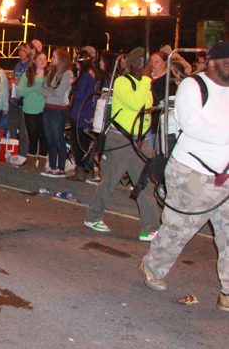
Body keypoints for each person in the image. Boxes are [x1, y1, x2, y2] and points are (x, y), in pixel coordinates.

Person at [139, 42, 229, 309]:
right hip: (193, 174)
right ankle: (152, 267)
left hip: (225, 177)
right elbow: (192, 125)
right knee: (178, 231)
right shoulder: (194, 86)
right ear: (213, 63)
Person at [84, 47, 161, 240]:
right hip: (121, 139)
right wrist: (145, 81)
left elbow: (146, 107)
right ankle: (93, 216)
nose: (149, 67)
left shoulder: (144, 84)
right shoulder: (122, 82)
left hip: (140, 141)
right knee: (109, 181)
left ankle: (150, 227)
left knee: (145, 184)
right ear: (137, 64)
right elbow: (135, 103)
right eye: (146, 63)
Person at [40, 49, 73, 177]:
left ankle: (61, 167)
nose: (51, 59)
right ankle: (52, 165)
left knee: (58, 137)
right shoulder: (51, 72)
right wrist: (50, 90)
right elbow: (43, 91)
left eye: (54, 56)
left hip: (59, 108)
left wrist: (49, 90)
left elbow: (59, 92)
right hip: (48, 107)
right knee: (50, 137)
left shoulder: (67, 73)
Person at [69, 49, 100, 182]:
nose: (76, 65)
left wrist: (73, 85)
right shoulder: (92, 76)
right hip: (83, 114)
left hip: (80, 114)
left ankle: (81, 170)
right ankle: (86, 170)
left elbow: (81, 95)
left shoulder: (86, 77)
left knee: (80, 144)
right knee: (84, 143)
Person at [5, 42, 34, 165]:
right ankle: (10, 151)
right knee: (10, 126)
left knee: (23, 130)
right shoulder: (17, 65)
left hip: (24, 101)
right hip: (14, 100)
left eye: (24, 50)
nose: (21, 52)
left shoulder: (30, 66)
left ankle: (23, 154)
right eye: (20, 50)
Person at [17, 52, 48, 163]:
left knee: (44, 136)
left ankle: (43, 161)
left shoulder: (48, 76)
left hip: (44, 110)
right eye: (40, 58)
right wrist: (33, 88)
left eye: (45, 59)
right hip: (30, 110)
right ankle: (31, 161)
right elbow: (19, 91)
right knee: (32, 136)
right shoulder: (28, 74)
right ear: (34, 61)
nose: (43, 61)